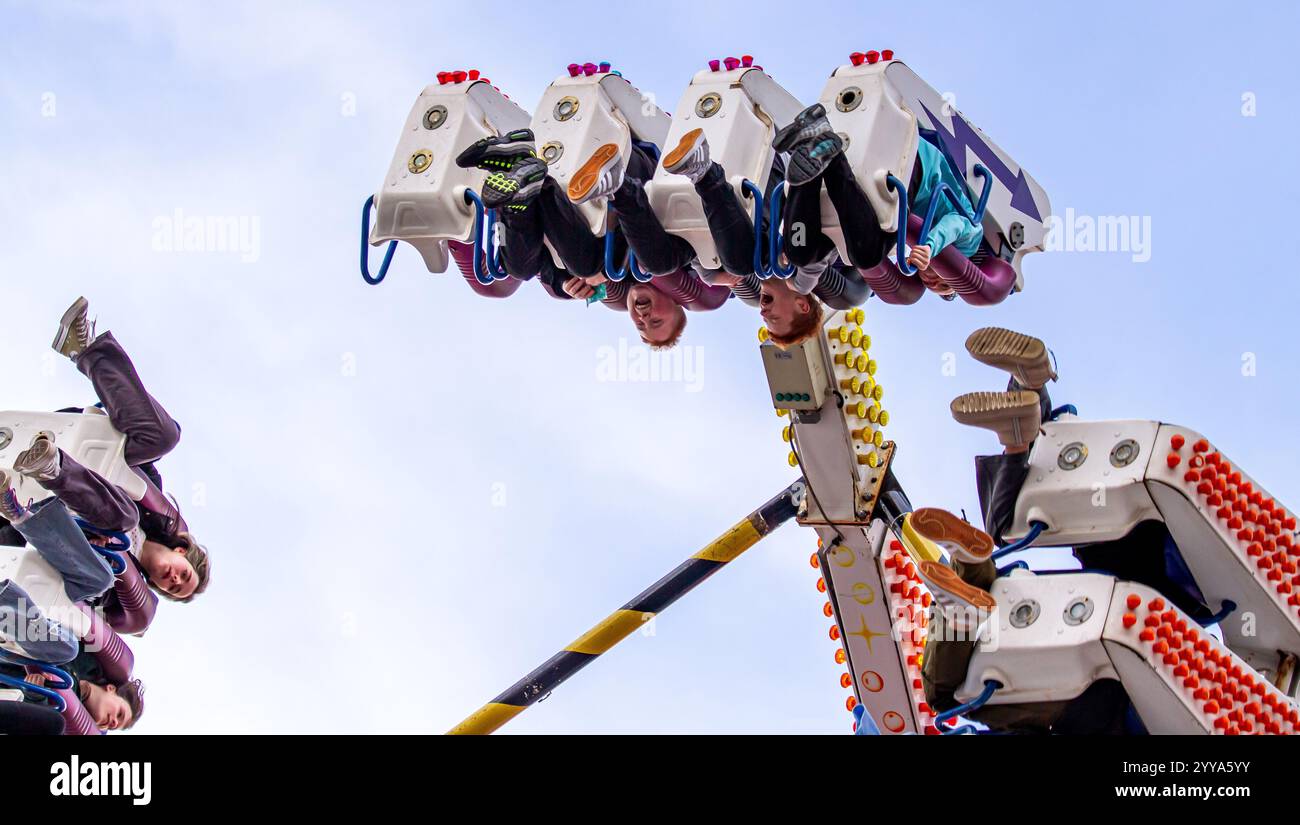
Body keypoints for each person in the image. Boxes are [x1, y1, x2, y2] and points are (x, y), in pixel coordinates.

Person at [912, 327, 1213, 733]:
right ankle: (966, 580)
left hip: (1142, 560)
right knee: (946, 695)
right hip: (1099, 688)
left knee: (1063, 498)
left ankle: (1033, 393)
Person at [0, 298, 211, 603]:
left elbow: (68, 567)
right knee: (165, 436)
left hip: (37, 508)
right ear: (181, 552)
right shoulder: (153, 503)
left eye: (174, 588)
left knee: (122, 521)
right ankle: (83, 347)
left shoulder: (115, 582)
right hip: (75, 447)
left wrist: (92, 541)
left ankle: (51, 470)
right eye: (184, 575)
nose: (174, 579)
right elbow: (133, 449)